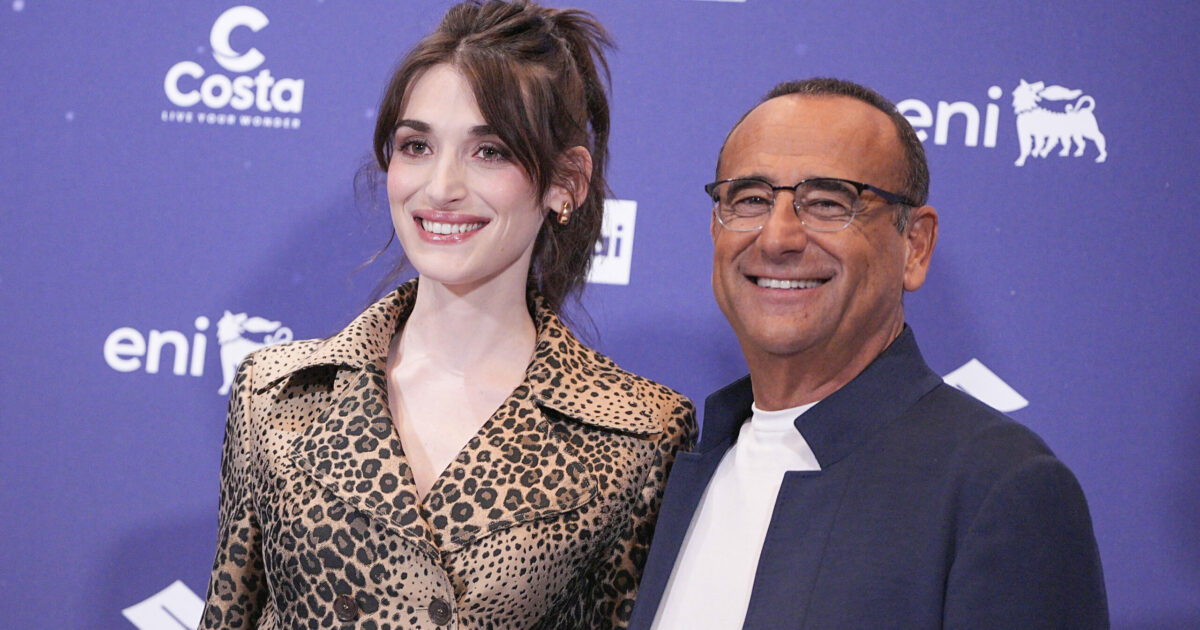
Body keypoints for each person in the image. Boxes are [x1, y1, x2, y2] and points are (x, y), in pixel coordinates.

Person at [200, 2, 696, 628]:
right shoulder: (278, 393)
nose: (440, 187)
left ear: (565, 181)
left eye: (489, 151)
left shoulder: (637, 434)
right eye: (417, 146)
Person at [628, 78, 1108, 629]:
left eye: (828, 203)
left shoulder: (998, 488)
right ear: (716, 227)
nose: (777, 237)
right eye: (751, 199)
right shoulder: (671, 471)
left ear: (915, 246)